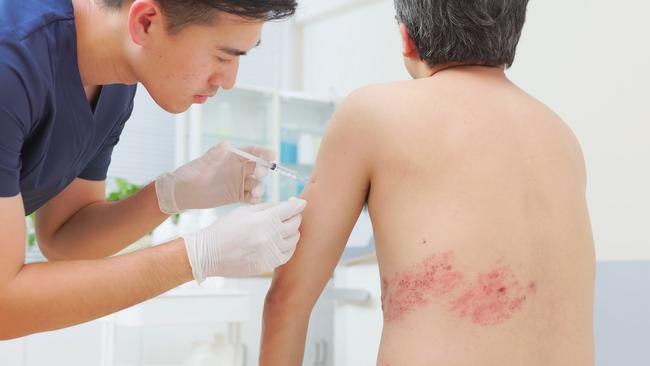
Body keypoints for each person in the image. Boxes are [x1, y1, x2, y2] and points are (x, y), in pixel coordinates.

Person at [260, 0, 595, 365]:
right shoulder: (559, 135)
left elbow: (287, 300)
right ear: (513, 31)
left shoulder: (373, 113)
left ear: (407, 39)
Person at [0, 0, 306, 340]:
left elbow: (64, 237)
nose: (229, 80)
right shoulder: (10, 60)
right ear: (145, 22)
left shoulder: (115, 84)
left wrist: (169, 195)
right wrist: (196, 256)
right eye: (223, 56)